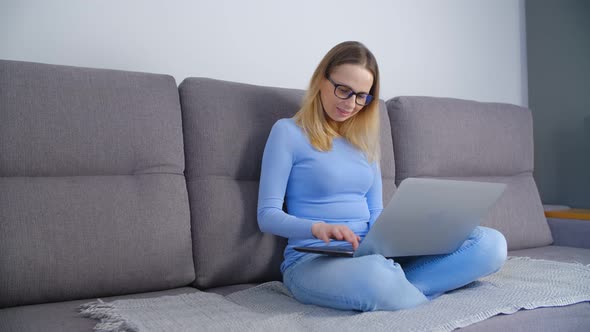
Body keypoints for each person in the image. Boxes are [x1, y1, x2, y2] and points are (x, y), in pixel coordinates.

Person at [257, 41, 507, 312]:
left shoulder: (365, 143)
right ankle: (402, 289)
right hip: (312, 261)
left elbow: (376, 211)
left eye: (362, 96)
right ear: (321, 80)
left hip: (373, 254)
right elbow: (267, 216)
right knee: (377, 274)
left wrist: (407, 236)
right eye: (343, 90)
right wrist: (317, 227)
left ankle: (401, 290)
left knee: (490, 244)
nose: (351, 104)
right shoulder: (287, 133)